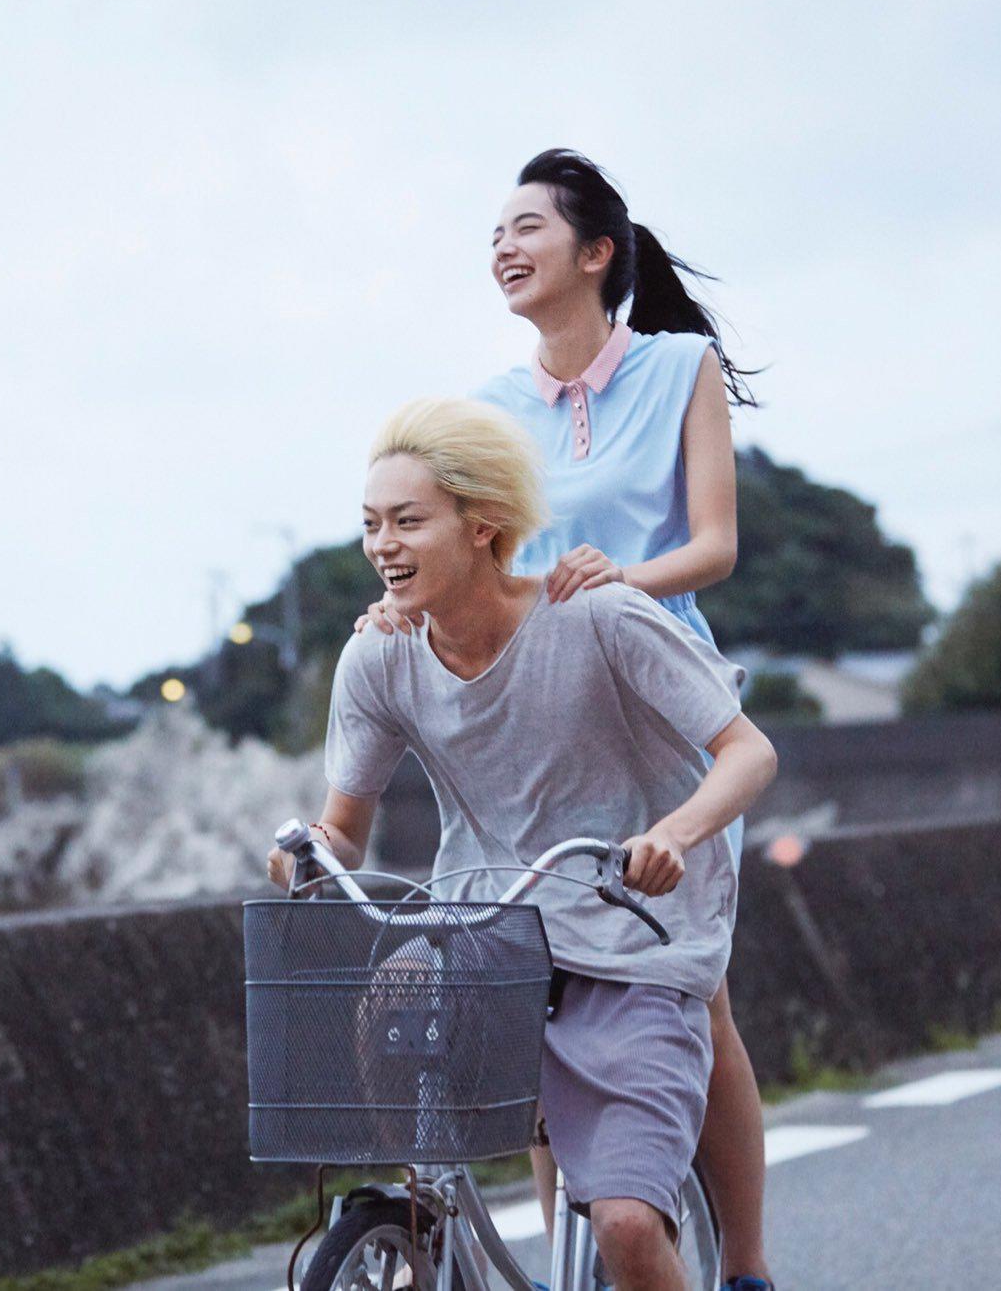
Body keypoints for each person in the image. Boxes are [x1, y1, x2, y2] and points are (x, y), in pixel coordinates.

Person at [360, 149, 774, 1290]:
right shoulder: (484, 412)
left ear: (596, 252)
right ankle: (571, 1262)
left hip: (658, 703)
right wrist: (402, 596)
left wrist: (613, 584)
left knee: (692, 987)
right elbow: (467, 549)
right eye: (493, 232)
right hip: (538, 721)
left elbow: (714, 546)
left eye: (526, 226)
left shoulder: (679, 366)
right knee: (530, 980)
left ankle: (743, 1262)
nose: (502, 247)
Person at [270, 397, 777, 1291]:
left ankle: (720, 1250)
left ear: (482, 526)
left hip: (633, 930)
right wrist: (309, 853)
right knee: (389, 991)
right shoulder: (379, 657)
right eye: (370, 524)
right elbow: (343, 827)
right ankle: (427, 1205)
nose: (382, 544)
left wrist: (672, 835)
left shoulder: (598, 618)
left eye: (408, 521)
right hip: (488, 927)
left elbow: (749, 751)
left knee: (624, 1227)